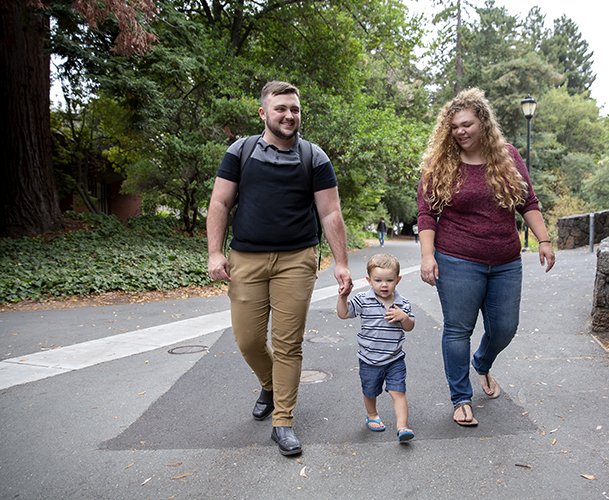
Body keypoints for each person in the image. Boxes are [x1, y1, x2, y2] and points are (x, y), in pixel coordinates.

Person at [207, 81, 353, 456]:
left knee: (288, 344)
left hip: (296, 260)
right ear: (263, 114)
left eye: (295, 109)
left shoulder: (314, 157)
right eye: (281, 109)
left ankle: (283, 421)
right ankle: (270, 386)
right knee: (249, 340)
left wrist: (341, 262)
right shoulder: (240, 152)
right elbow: (220, 203)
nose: (290, 115)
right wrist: (214, 252)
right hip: (246, 259)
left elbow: (331, 212)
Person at [417, 88, 555, 427]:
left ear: (483, 123)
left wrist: (544, 240)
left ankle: (482, 361)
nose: (461, 131)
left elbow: (528, 200)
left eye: (467, 124)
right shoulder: (441, 164)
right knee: (457, 329)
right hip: (457, 259)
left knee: (505, 327)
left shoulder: (507, 156)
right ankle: (461, 398)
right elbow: (426, 213)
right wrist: (427, 256)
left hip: (506, 261)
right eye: (454, 127)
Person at [336, 253, 416, 442]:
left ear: (398, 279)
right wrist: (343, 297)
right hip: (369, 359)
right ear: (369, 280)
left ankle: (402, 426)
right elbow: (344, 314)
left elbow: (410, 326)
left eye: (389, 280)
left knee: (399, 391)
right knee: (370, 390)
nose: (384, 285)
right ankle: (372, 415)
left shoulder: (402, 304)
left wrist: (403, 317)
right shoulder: (363, 299)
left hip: (395, 358)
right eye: (378, 280)